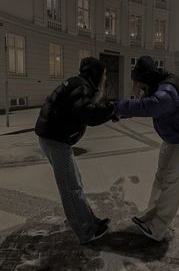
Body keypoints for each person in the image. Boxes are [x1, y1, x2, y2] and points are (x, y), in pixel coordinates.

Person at [114, 56, 179, 242]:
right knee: (161, 177)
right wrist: (120, 114)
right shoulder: (155, 86)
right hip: (172, 138)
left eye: (138, 82)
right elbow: (145, 105)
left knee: (172, 181)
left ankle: (159, 226)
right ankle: (150, 214)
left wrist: (118, 107)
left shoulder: (168, 87)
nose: (137, 87)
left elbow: (153, 106)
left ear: (145, 77)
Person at [35, 57, 115, 244]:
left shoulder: (78, 84)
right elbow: (88, 114)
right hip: (55, 139)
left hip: (53, 137)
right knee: (70, 188)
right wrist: (112, 110)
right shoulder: (81, 87)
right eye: (103, 75)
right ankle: (86, 231)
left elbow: (86, 109)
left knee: (75, 184)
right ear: (96, 74)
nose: (104, 79)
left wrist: (107, 110)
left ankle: (89, 221)